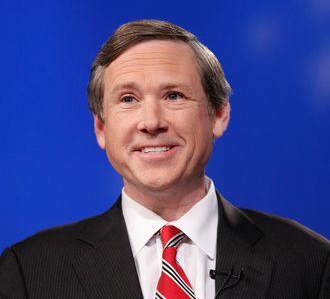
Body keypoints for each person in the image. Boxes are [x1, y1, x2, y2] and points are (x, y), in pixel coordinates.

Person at [0, 19, 329, 299]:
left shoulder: (310, 262)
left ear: (219, 114)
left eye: (174, 95)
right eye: (128, 99)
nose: (151, 122)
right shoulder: (29, 272)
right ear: (101, 128)